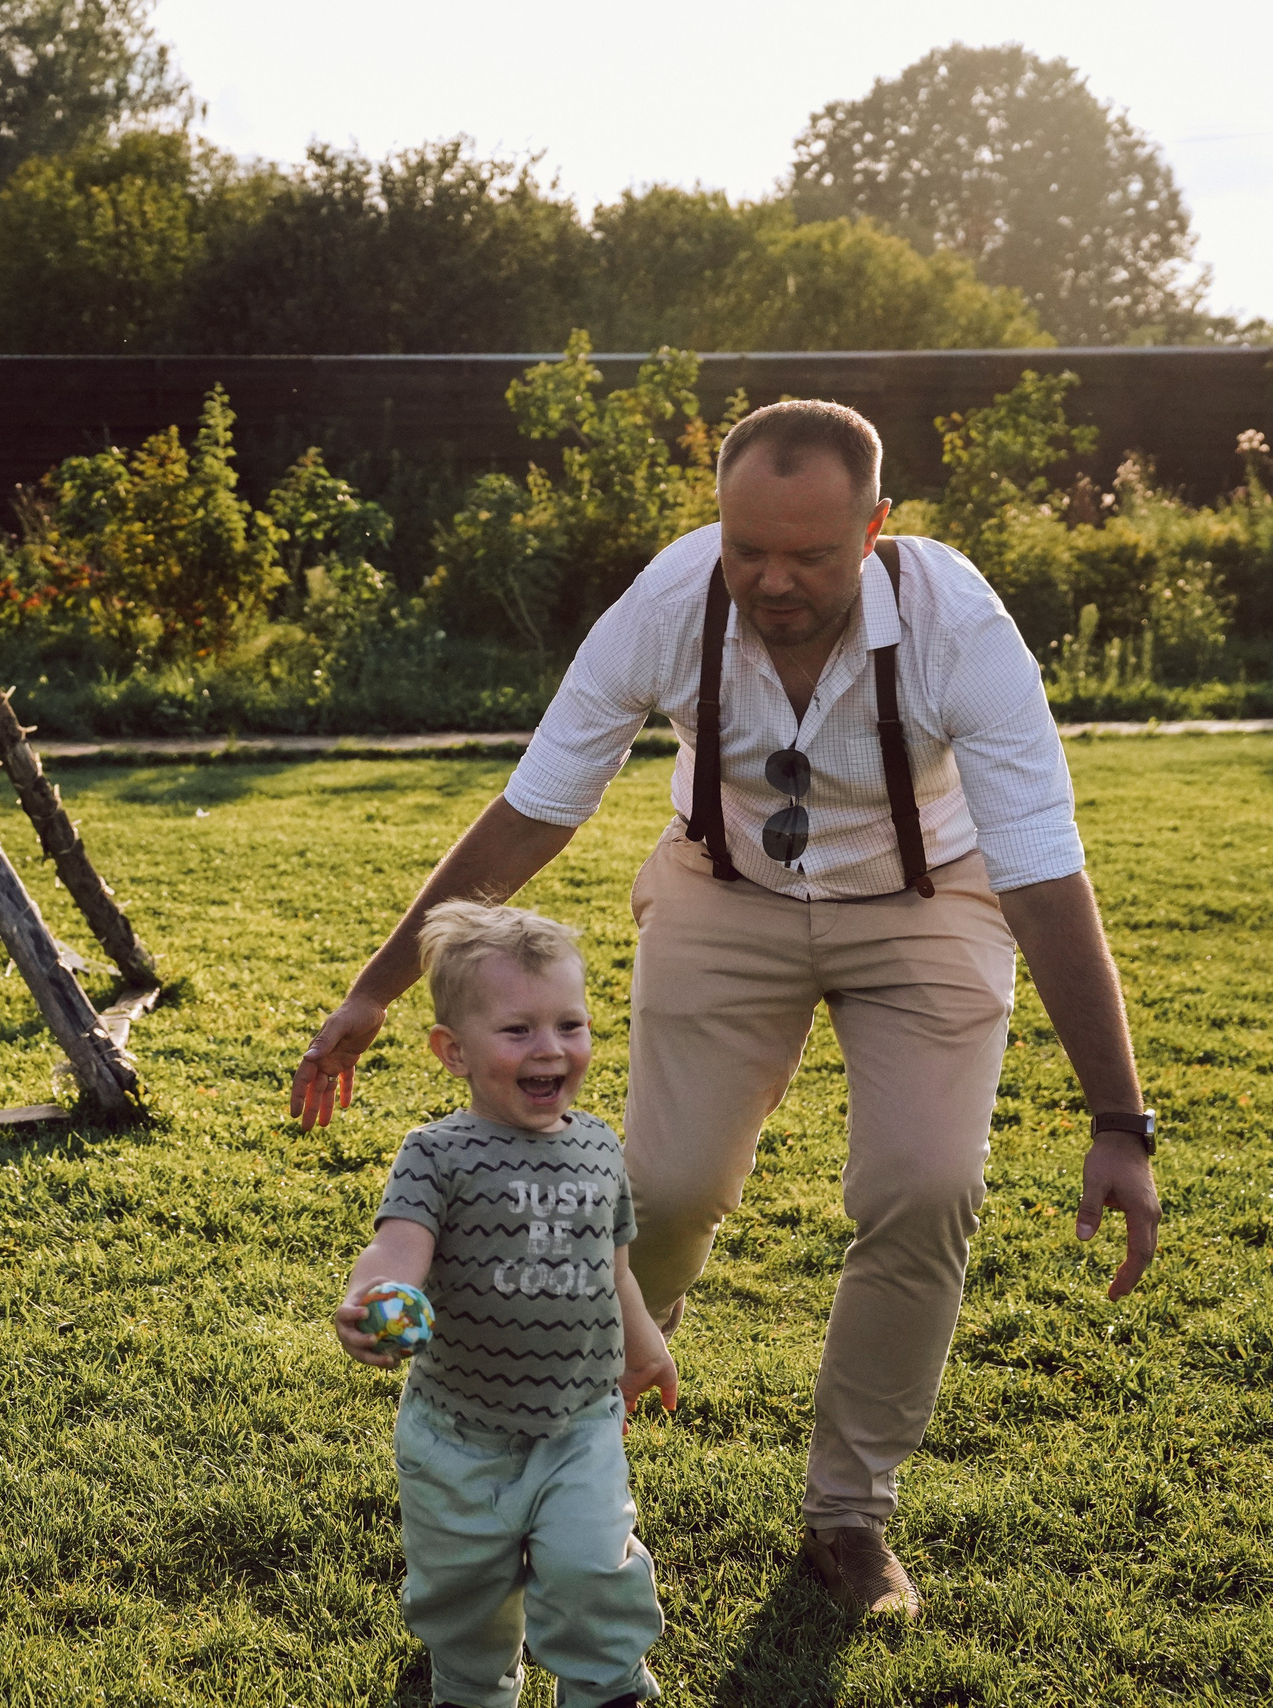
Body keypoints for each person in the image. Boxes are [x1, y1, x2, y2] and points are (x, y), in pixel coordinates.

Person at [294, 400, 1161, 1619]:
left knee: (922, 1188)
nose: (770, 579)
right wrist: (379, 987)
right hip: (727, 886)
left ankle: (849, 1517)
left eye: (809, 554)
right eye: (747, 546)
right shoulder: (668, 601)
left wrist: (1118, 1118)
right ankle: (542, 1457)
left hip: (928, 899)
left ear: (875, 530)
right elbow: (540, 805)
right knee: (662, 1190)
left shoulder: (959, 625)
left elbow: (1041, 872)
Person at [334, 902, 671, 1708]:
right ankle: (471, 1688)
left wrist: (648, 1347)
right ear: (452, 1052)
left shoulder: (597, 1147)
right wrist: (378, 1293)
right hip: (459, 1434)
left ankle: (606, 1685)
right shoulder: (437, 1154)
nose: (551, 1048)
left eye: (570, 1024)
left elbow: (613, 1268)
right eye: (517, 1030)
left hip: (578, 1423)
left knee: (596, 1565)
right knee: (464, 1595)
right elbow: (398, 1246)